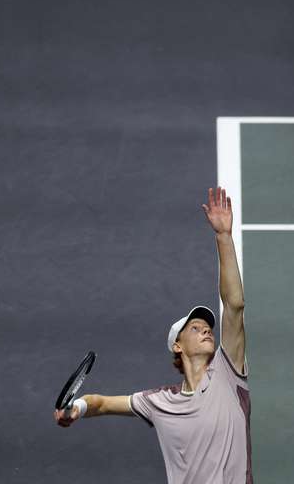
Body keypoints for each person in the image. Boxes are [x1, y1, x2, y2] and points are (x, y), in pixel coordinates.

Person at [54, 186, 251, 484]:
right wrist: (76, 409)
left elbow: (234, 305)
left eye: (206, 326)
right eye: (194, 328)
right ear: (177, 346)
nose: (205, 329)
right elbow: (102, 403)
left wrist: (223, 237)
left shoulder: (229, 373)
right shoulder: (159, 401)